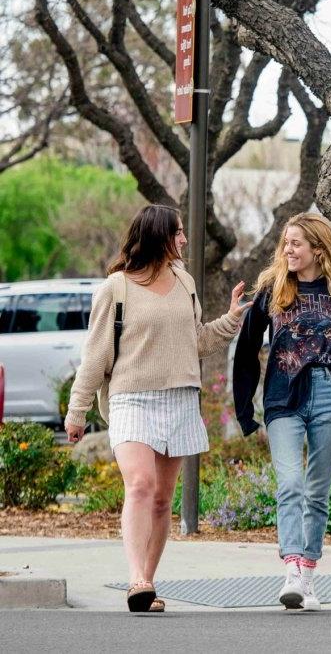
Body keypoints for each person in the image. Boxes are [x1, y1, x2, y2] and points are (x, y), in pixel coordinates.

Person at [65, 204, 247, 613]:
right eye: (178, 232)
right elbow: (95, 356)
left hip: (180, 396)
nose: (184, 239)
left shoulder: (185, 282)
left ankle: (147, 582)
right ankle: (136, 578)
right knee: (141, 484)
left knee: (164, 498)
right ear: (157, 236)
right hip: (131, 398)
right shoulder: (116, 288)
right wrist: (77, 411)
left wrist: (232, 319)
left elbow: (196, 341)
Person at [232, 212, 331, 612]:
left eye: (296, 243)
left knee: (317, 491)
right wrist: (245, 410)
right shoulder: (272, 289)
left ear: (317, 249)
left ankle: (308, 572)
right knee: (290, 483)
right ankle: (291, 566)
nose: (288, 250)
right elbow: (246, 352)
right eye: (286, 243)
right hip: (283, 397)